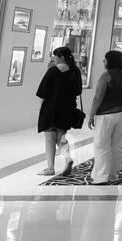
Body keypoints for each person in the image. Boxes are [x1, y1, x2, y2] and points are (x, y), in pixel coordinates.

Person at [87, 50, 122, 185]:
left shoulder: (106, 75)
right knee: (116, 145)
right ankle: (113, 175)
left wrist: (91, 116)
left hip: (107, 114)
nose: (103, 62)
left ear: (109, 61)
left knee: (101, 144)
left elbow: (98, 98)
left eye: (105, 59)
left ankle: (101, 177)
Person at [35, 47, 82, 176]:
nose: (53, 59)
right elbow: (78, 91)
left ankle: (50, 168)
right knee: (61, 137)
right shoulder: (75, 71)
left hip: (50, 109)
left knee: (50, 138)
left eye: (55, 56)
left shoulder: (53, 71)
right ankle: (68, 158)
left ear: (61, 57)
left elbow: (41, 92)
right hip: (67, 109)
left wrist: (40, 109)